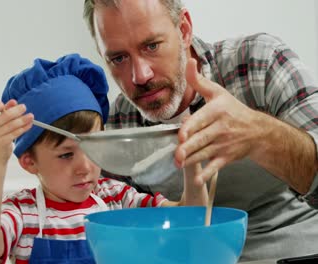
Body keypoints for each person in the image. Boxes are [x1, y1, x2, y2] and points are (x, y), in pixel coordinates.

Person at [83, 0, 318, 261]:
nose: (140, 75)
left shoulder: (258, 63)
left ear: (183, 30)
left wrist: (262, 134)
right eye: (118, 58)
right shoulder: (118, 123)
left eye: (151, 46)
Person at [0, 54, 208, 264]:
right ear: (30, 161)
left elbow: (187, 221)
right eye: (66, 154)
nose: (85, 167)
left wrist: (192, 166)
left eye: (92, 148)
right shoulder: (22, 213)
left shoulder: (115, 198)